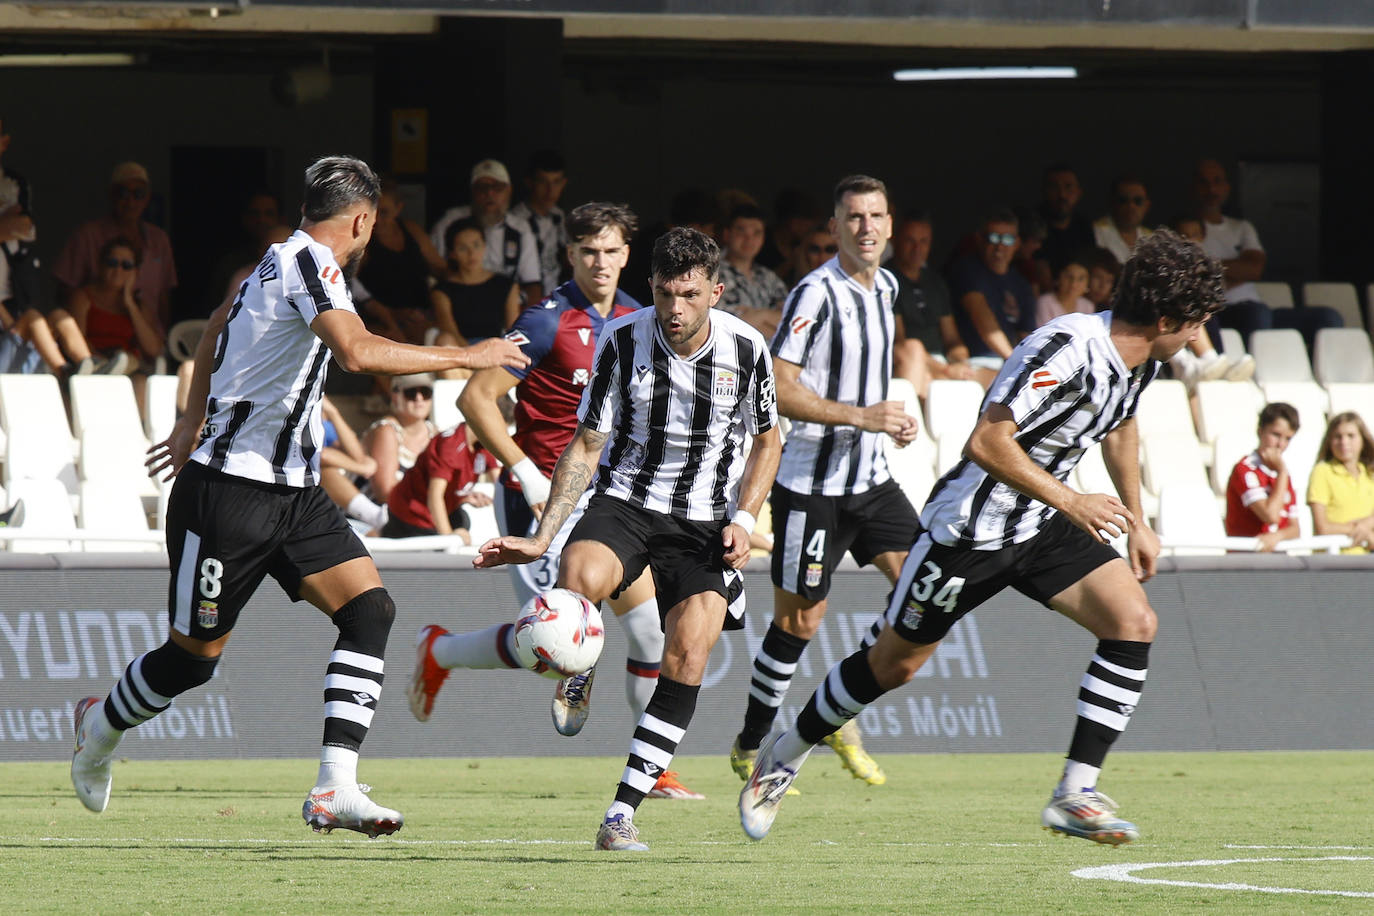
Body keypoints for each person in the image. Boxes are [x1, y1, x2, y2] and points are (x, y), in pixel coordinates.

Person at [69, 155, 528, 836]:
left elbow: (221, 318)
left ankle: (334, 787)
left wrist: (191, 414)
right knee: (192, 663)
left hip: (293, 493)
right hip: (226, 495)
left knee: (370, 609)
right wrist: (470, 355)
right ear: (364, 220)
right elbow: (358, 354)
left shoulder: (276, 259)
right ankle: (99, 725)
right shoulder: (309, 265)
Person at [739, 229, 1227, 847]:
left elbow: (1121, 426)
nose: (1196, 336)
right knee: (893, 666)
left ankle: (1074, 793)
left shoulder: (1143, 362)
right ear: (1164, 318)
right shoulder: (1067, 348)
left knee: (1134, 622)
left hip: (1041, 525)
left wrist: (1137, 519)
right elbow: (987, 442)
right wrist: (1074, 498)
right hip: (968, 532)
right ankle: (785, 752)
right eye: (1195, 324)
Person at [474, 226, 781, 851]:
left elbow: (768, 440)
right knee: (575, 584)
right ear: (652, 288)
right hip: (627, 502)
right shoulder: (620, 339)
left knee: (688, 656)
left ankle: (620, 815)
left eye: (690, 295)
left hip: (703, 522)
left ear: (716, 292)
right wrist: (541, 537)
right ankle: (576, 668)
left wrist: (744, 519)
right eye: (666, 294)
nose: (675, 309)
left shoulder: (748, 350)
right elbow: (587, 444)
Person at [409, 203, 705, 799]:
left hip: (610, 500)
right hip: (541, 498)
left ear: (630, 257)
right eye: (589, 251)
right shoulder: (547, 322)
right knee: (552, 644)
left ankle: (651, 767)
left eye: (613, 250)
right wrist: (523, 472)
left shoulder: (639, 319)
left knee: (650, 631)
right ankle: (442, 649)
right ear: (570, 254)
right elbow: (475, 399)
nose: (601, 262)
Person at [729, 175, 921, 794]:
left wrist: (888, 421)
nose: (867, 227)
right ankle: (754, 736)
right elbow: (779, 386)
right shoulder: (815, 294)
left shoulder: (887, 286)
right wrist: (866, 415)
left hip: (872, 480)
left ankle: (835, 707)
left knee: (929, 590)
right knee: (799, 623)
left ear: (890, 224)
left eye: (876, 216)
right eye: (854, 217)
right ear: (835, 228)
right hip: (811, 484)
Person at [1192, 158, 1340, 350]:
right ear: (1194, 187)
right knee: (1256, 313)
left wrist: (1211, 268)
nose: (1211, 189)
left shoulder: (1242, 228)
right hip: (1216, 314)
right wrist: (1235, 269)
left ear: (1227, 186)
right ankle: (1251, 373)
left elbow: (1254, 269)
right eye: (1204, 182)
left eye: (1217, 181)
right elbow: (1194, 276)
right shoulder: (1185, 229)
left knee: (1328, 317)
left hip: (1257, 308)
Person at [53, 161, 178, 327]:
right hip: (97, 334)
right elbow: (64, 290)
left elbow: (164, 295)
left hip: (148, 336)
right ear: (112, 195)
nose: (130, 201)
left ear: (147, 197)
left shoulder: (159, 239)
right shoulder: (87, 236)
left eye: (138, 194)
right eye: (123, 193)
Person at [888, 211, 994, 394]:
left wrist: (960, 361)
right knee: (914, 354)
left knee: (999, 380)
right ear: (895, 239)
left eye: (923, 241)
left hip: (943, 364)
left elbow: (952, 338)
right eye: (910, 241)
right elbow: (900, 344)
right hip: (911, 364)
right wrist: (945, 370)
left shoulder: (935, 282)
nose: (917, 248)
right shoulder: (886, 279)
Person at [430, 159, 542, 306]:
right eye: (482, 187)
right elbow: (433, 270)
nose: (489, 193)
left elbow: (532, 284)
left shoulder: (521, 229)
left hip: (506, 308)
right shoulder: (449, 223)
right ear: (472, 192)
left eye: (497, 187)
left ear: (509, 191)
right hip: (458, 305)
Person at [355, 179, 446, 344]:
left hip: (422, 316)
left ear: (399, 208)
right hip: (381, 322)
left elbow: (441, 270)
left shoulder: (412, 231)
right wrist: (391, 316)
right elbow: (350, 289)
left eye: (384, 212)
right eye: (371, 212)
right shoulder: (361, 241)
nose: (376, 220)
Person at [947, 208, 1036, 370]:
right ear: (979, 239)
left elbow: (1027, 334)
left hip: (1010, 363)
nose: (1000, 247)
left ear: (1017, 243)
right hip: (975, 362)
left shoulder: (1022, 284)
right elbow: (982, 318)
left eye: (1007, 239)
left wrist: (1028, 364)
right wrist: (1014, 360)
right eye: (994, 238)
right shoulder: (967, 270)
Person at [381, 422, 495, 542]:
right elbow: (434, 496)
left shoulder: (482, 444)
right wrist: (449, 540)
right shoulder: (451, 444)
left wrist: (463, 495)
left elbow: (500, 480)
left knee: (462, 520)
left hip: (438, 511)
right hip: (411, 514)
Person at [429, 218, 521, 356]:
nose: (471, 254)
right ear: (452, 254)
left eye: (476, 245)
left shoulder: (506, 285)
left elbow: (512, 330)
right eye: (462, 248)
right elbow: (450, 330)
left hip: (495, 352)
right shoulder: (442, 291)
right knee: (445, 340)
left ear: (484, 246)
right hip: (461, 353)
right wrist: (475, 357)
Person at [1224, 402, 1301, 551]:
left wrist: (1277, 536)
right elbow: (1270, 515)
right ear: (1260, 432)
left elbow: (1295, 529)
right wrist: (1282, 473)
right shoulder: (1245, 469)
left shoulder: (1282, 475)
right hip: (1246, 559)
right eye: (1276, 435)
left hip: (1277, 560)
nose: (1280, 444)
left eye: (1288, 439)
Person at [717, 203, 788, 337]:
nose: (749, 239)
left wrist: (761, 315)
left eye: (757, 232)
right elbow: (722, 326)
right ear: (727, 234)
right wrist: (769, 317)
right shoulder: (711, 273)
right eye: (741, 231)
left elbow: (792, 321)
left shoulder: (768, 276)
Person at [1307, 412, 1374, 554]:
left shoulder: (1369, 475)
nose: (1344, 442)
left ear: (1363, 439)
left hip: (1365, 562)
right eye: (1338, 436)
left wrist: (1367, 524)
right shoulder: (1322, 472)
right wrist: (1362, 531)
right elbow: (1322, 527)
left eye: (1351, 436)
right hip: (1333, 563)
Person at [510, 150, 570, 296]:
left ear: (563, 183)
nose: (550, 190)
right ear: (529, 183)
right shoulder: (515, 220)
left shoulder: (558, 216)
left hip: (554, 299)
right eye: (543, 181)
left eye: (556, 182)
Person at [1033, 163, 1095, 292]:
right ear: (1044, 191)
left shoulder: (1084, 227)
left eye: (1068, 187)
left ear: (1078, 192)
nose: (1062, 195)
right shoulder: (1034, 224)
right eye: (1054, 187)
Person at [1092, 175, 1153, 266]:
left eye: (1138, 201)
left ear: (1147, 205)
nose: (1131, 206)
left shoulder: (1151, 238)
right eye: (1123, 200)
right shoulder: (1095, 232)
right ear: (1112, 203)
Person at [1034, 255, 1096, 327]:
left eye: (1081, 279)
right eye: (1069, 277)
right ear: (1058, 279)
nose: (1074, 284)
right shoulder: (1045, 302)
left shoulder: (1087, 306)